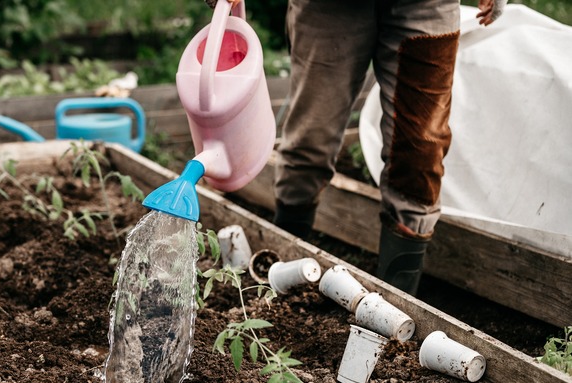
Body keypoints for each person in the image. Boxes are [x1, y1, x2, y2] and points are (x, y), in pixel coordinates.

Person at [204, 0, 505, 295]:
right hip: (327, 9)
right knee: (311, 140)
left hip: (426, 6)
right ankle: (283, 284)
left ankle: (396, 314)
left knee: (419, 155)